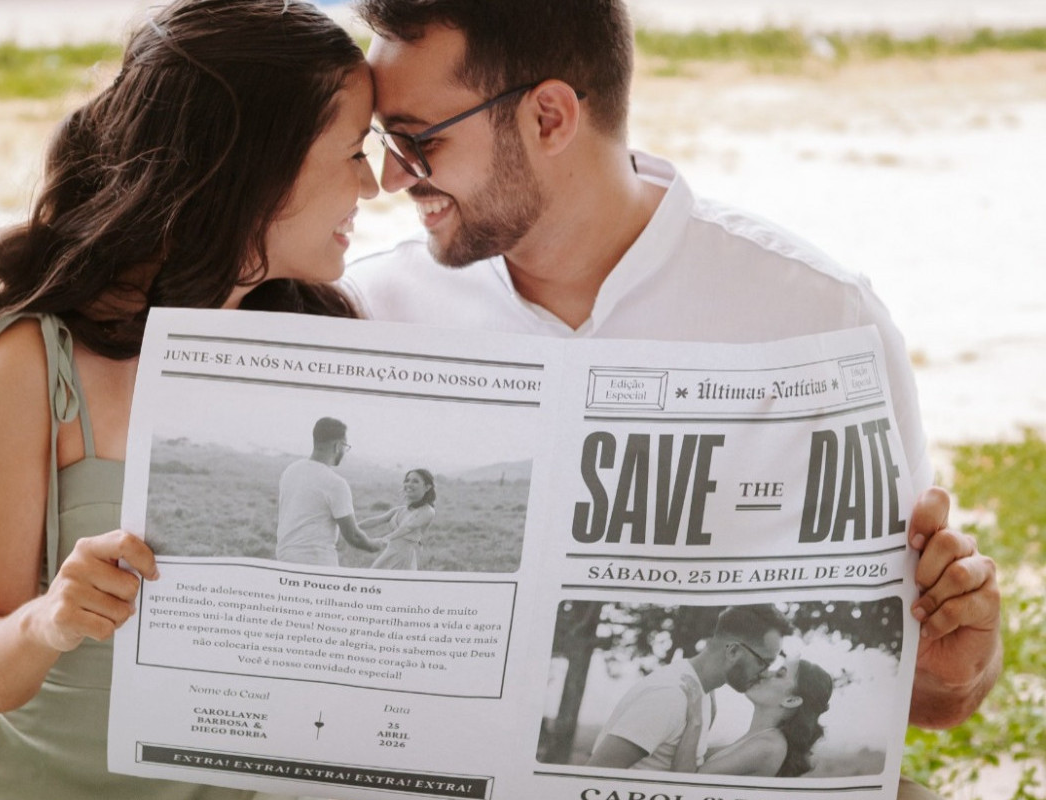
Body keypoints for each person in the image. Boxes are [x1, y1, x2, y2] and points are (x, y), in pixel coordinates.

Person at [342, 2, 1001, 796]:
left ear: (549, 116)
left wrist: (956, 664)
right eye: (385, 142)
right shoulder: (368, 314)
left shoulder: (821, 318)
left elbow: (933, 699)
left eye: (418, 141)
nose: (387, 179)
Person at [0, 0, 378, 795]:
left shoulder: (328, 351)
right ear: (254, 166)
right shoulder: (32, 362)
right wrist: (51, 619)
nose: (374, 183)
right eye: (352, 151)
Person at [587, 605, 792, 771]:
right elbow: (594, 778)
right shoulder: (669, 696)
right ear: (733, 651)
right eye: (764, 662)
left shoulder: (705, 696)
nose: (765, 673)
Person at [673, 656, 834, 777]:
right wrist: (708, 708)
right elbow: (697, 758)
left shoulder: (768, 746)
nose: (764, 673)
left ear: (791, 700)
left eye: (779, 674)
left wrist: (695, 720)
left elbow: (684, 785)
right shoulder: (762, 738)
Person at [275, 417, 382, 565]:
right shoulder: (335, 483)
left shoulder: (291, 470)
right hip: (316, 562)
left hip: (284, 558)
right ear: (337, 446)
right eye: (345, 446)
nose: (345, 451)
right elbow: (353, 536)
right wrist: (377, 545)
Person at [361, 467, 436, 569]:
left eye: (415, 481)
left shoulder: (428, 511)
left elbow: (406, 528)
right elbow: (374, 521)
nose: (409, 484)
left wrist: (383, 540)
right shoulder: (399, 510)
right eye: (407, 480)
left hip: (404, 558)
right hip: (389, 553)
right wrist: (349, 527)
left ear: (427, 487)